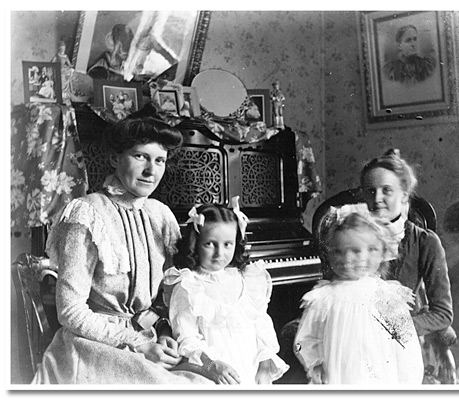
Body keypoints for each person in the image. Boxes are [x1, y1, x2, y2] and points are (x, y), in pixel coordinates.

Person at [33, 103, 213, 384]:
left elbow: (164, 298)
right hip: (93, 345)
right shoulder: (87, 212)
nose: (150, 171)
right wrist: (137, 344)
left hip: (147, 336)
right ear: (116, 159)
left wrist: (163, 331)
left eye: (159, 160)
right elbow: (70, 311)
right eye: (140, 156)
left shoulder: (160, 215)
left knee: (212, 381)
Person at [166, 199, 289, 384]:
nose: (219, 253)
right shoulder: (189, 286)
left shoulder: (246, 279)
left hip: (251, 369)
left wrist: (264, 366)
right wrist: (212, 365)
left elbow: (261, 324)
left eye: (227, 244)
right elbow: (187, 338)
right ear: (195, 243)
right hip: (214, 373)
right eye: (210, 244)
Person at [294, 210, 424, 385]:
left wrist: (408, 383)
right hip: (337, 375)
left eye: (355, 251)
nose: (346, 258)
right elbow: (305, 338)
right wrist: (315, 363)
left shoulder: (386, 296)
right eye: (337, 251)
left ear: (374, 253)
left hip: (379, 377)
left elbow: (407, 345)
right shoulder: (324, 298)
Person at [359, 149, 454, 343]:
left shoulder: (425, 242)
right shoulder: (352, 235)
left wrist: (393, 330)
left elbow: (443, 313)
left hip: (398, 337)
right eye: (371, 191)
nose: (377, 198)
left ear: (404, 195)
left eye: (386, 190)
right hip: (355, 329)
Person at [51, 40, 75, 104]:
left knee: (69, 74)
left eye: (64, 48)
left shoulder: (65, 56)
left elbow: (69, 64)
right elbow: (52, 62)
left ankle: (66, 96)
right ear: (60, 48)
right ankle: (60, 95)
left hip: (64, 69)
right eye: (62, 48)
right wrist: (55, 66)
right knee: (61, 78)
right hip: (59, 69)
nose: (63, 50)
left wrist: (72, 66)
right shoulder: (57, 55)